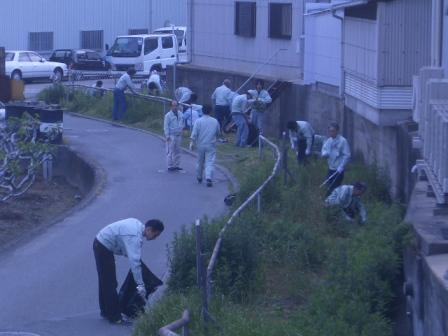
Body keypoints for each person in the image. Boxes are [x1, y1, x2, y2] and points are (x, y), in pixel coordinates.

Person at [93, 218, 164, 324]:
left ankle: (105, 311)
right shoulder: (134, 237)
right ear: (149, 229)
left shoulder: (137, 225)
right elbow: (135, 263)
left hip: (101, 243)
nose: (155, 238)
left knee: (105, 281)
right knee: (110, 283)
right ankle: (115, 317)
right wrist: (140, 285)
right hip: (103, 246)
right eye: (155, 235)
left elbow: (128, 249)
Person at [189, 105, 221, 187]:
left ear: (202, 111)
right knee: (209, 162)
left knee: (200, 162)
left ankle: (199, 177)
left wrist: (191, 143)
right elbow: (218, 133)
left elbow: (194, 133)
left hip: (200, 144)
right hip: (211, 144)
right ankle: (208, 177)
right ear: (210, 111)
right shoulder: (215, 121)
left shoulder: (198, 121)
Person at [321, 122, 351, 195]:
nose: (331, 133)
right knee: (329, 185)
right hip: (331, 168)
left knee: (334, 187)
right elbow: (324, 149)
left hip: (338, 169)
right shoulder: (329, 141)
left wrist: (341, 166)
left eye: (333, 131)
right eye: (330, 131)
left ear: (337, 131)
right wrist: (324, 153)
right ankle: (330, 202)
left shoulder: (343, 141)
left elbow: (347, 155)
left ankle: (331, 202)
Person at [164, 100, 184, 171]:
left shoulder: (181, 114)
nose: (175, 107)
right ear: (171, 106)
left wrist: (182, 130)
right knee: (170, 151)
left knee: (178, 151)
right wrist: (167, 136)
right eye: (173, 105)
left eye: (176, 105)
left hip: (179, 135)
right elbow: (166, 126)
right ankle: (170, 165)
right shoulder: (168, 115)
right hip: (171, 135)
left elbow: (182, 123)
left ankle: (177, 165)